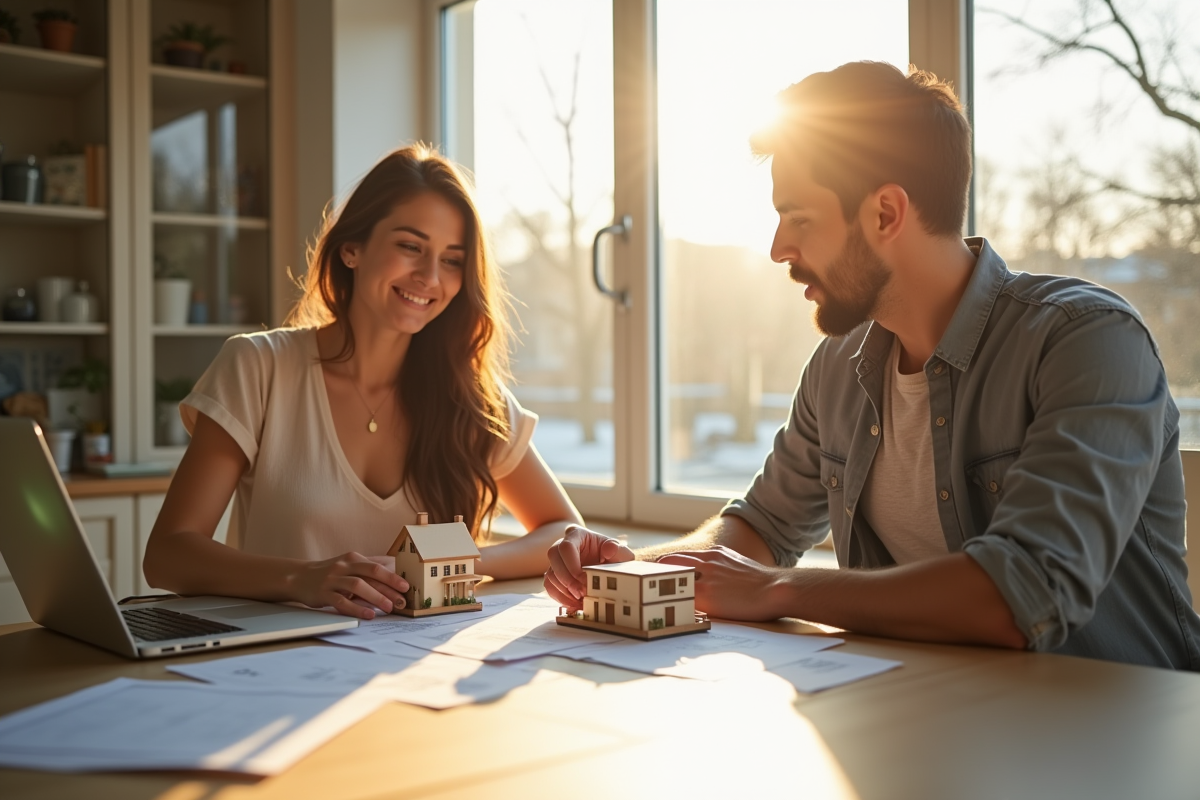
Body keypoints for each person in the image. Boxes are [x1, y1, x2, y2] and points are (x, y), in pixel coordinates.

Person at [544, 61, 1200, 669]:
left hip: (1120, 736)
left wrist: (777, 590)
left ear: (885, 212)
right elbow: (758, 531)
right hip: (931, 720)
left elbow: (1017, 597)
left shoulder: (1086, 342)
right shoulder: (838, 368)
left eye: (797, 217)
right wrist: (628, 567)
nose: (777, 248)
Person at [145, 144, 583, 619]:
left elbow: (562, 529)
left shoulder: (471, 396)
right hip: (279, 663)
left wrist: (459, 562)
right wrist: (302, 578)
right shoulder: (258, 366)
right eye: (410, 247)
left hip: (419, 666)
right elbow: (168, 555)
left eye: (452, 260)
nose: (430, 277)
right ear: (352, 249)